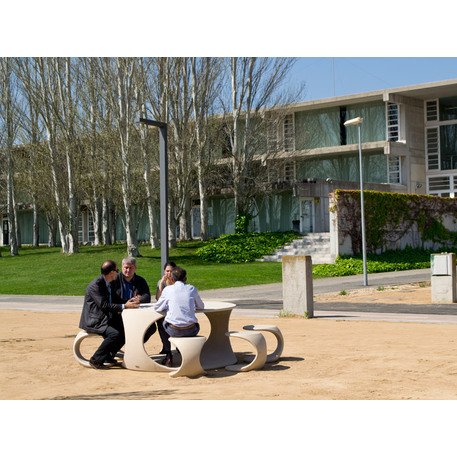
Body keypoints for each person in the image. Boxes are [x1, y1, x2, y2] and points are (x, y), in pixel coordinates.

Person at [79, 260, 140, 370]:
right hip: (95, 321)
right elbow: (104, 305)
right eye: (117, 270)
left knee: (125, 330)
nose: (118, 272)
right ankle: (96, 359)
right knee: (115, 334)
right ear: (112, 272)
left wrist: (129, 301)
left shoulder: (109, 282)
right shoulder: (95, 286)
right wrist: (124, 306)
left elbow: (115, 300)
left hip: (105, 318)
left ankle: (108, 356)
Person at [111, 256, 170, 356]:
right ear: (122, 267)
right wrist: (127, 303)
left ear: (135, 268)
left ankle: (134, 346)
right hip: (120, 313)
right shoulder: (115, 280)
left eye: (131, 268)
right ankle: (115, 349)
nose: (128, 270)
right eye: (126, 267)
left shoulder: (140, 280)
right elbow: (112, 298)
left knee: (151, 328)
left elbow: (147, 296)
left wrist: (140, 299)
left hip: (137, 313)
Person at [153, 266, 205, 366]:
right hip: (191, 330)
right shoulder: (191, 288)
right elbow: (201, 306)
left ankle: (168, 353)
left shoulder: (168, 290)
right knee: (194, 323)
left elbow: (157, 307)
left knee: (161, 323)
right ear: (185, 278)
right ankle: (184, 353)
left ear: (172, 279)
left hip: (174, 330)